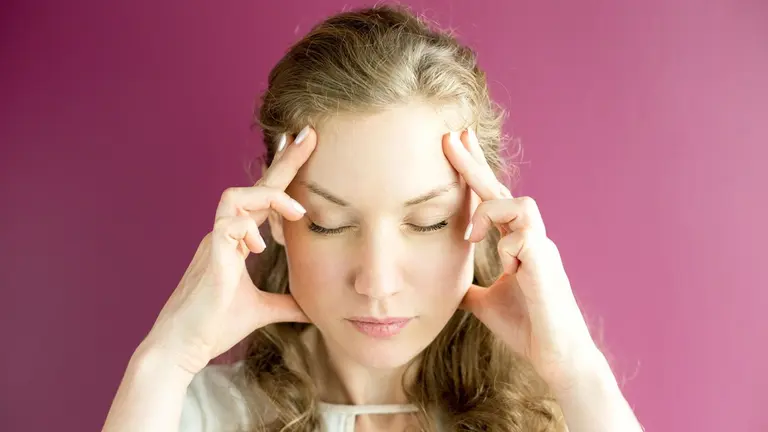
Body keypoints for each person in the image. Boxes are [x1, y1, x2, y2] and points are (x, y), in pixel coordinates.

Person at [102, 5, 642, 432]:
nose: (377, 284)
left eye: (428, 221)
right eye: (330, 222)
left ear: (484, 213)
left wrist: (576, 371)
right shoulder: (187, 413)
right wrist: (162, 363)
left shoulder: (569, 416)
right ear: (275, 217)